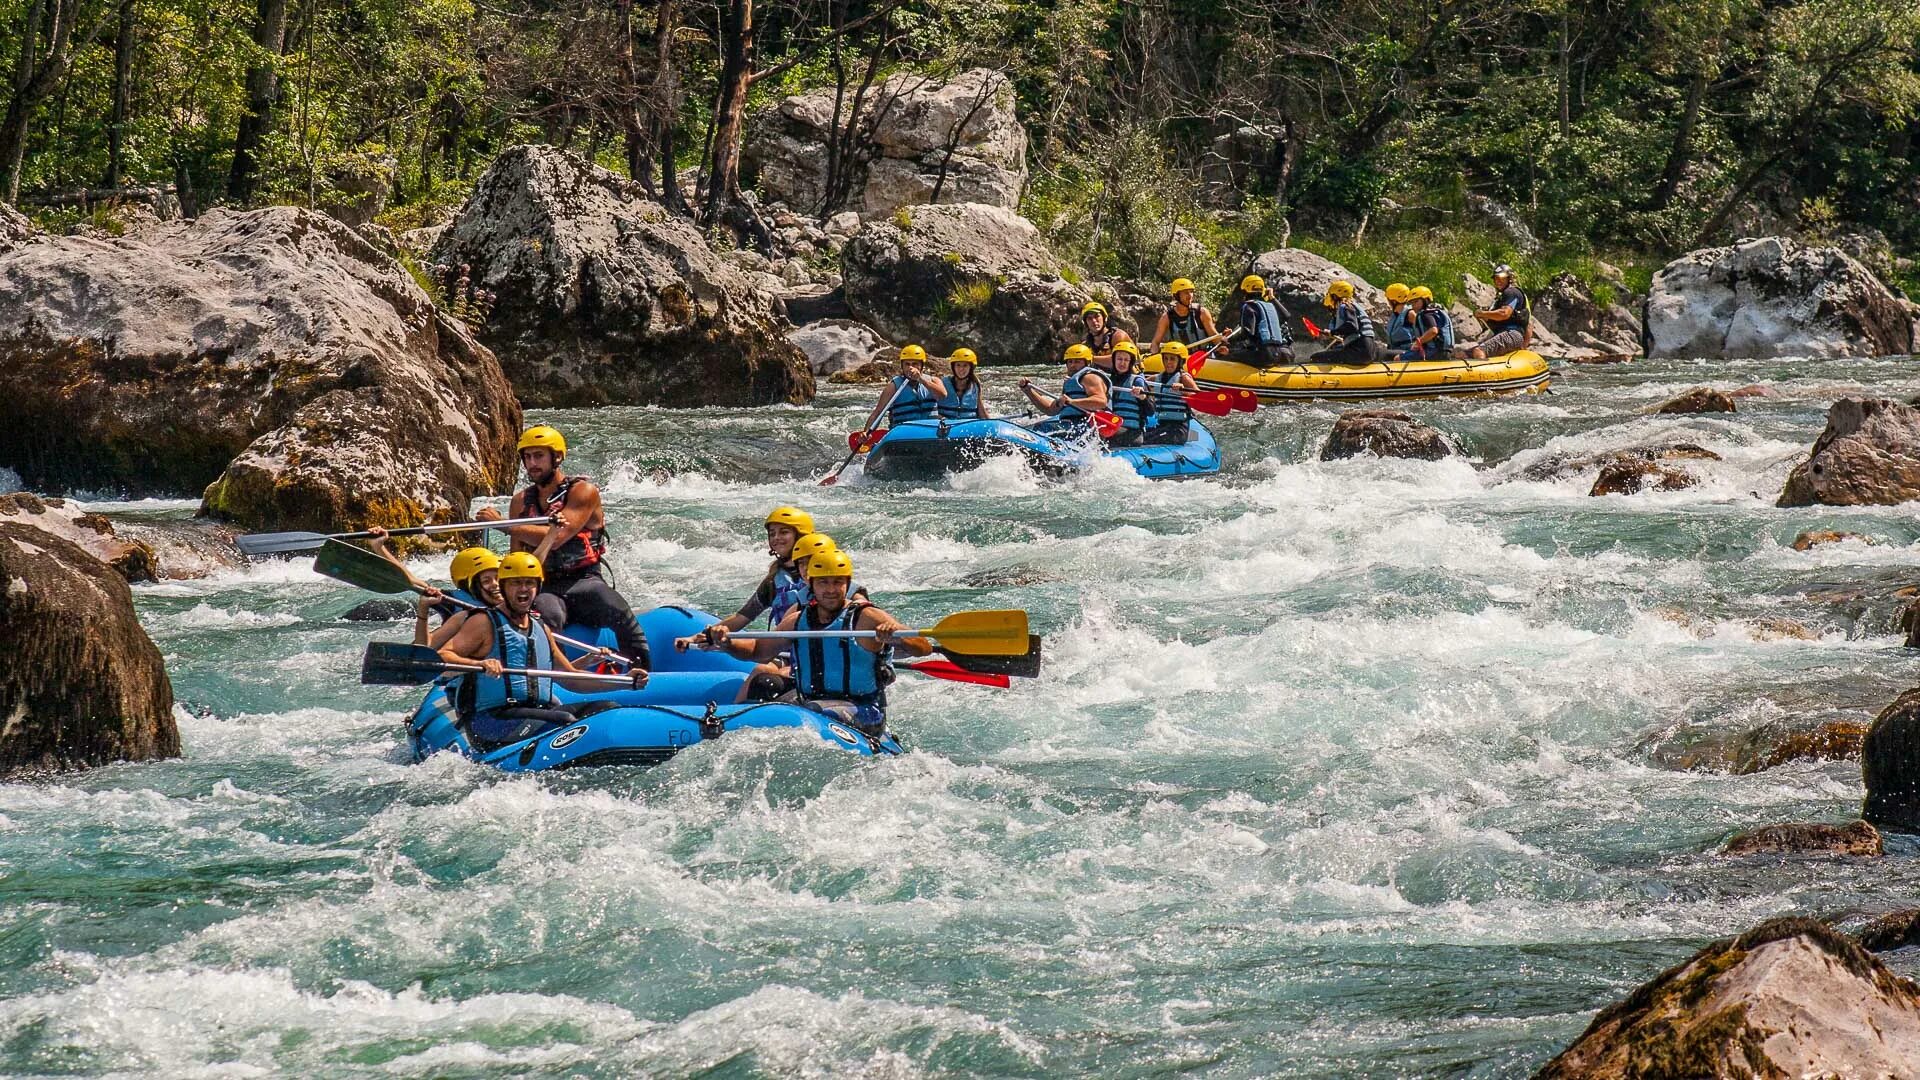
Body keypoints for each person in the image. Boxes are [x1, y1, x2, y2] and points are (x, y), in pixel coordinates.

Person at [687, 550, 933, 736]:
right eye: (824, 582)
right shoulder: (797, 620)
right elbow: (758, 651)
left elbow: (924, 647)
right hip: (811, 702)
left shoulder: (866, 617)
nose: (831, 589)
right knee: (761, 703)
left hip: (864, 710)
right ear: (811, 585)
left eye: (838, 582)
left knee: (812, 712)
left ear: (847, 584)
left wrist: (896, 635)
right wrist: (727, 643)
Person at [474, 425, 651, 669]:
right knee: (548, 615)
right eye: (527, 457)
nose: (532, 464)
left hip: (585, 580)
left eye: (539, 456)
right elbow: (517, 556)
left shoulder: (583, 492)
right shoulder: (520, 502)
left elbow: (557, 537)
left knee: (616, 609)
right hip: (546, 585)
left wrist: (503, 525)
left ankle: (642, 672)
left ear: (557, 457)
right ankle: (552, 679)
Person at [436, 552, 640, 748]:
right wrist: (479, 664)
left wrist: (626, 682)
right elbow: (443, 657)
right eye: (516, 583)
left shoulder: (541, 627)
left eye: (529, 583)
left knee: (606, 709)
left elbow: (570, 677)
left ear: (538, 587)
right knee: (566, 720)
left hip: (535, 714)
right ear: (504, 587)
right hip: (491, 721)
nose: (523, 589)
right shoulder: (483, 622)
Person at [411, 547, 504, 649]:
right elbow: (422, 648)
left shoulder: (518, 605)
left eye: (498, 578)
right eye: (486, 581)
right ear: (473, 586)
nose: (495, 584)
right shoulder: (460, 612)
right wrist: (423, 609)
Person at [1019, 343, 1111, 433]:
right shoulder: (1071, 382)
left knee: (1039, 429)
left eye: (1077, 361)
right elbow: (1050, 410)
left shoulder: (1090, 377)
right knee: (1038, 427)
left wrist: (1072, 402)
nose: (1072, 365)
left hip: (1086, 425)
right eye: (1070, 361)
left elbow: (1101, 402)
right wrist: (1028, 391)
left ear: (1087, 363)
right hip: (1070, 424)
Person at [861, 345, 947, 432]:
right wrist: (866, 431)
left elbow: (942, 395)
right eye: (907, 364)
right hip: (904, 433)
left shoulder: (934, 380)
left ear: (922, 365)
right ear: (902, 366)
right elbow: (878, 412)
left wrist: (921, 379)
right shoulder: (893, 387)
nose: (910, 368)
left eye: (915, 364)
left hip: (930, 431)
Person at [1309, 280, 1385, 365]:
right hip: (1368, 349)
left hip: (1359, 351)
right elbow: (1352, 331)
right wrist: (1330, 334)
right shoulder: (1353, 306)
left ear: (1335, 296)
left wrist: (1332, 332)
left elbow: (1352, 326)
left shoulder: (1345, 306)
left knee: (1315, 357)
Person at [1468, 264, 1532, 358]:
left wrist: (1482, 313)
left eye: (1502, 278)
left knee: (1479, 351)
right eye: (1496, 279)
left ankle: (1483, 372)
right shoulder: (1502, 298)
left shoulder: (1511, 292)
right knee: (1462, 354)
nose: (1498, 281)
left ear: (1509, 279)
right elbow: (1529, 325)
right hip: (1505, 334)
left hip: (1512, 334)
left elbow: (1504, 314)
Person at [1144, 341, 1199, 445]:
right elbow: (1141, 382)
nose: (1168, 362)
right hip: (1162, 425)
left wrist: (1183, 391)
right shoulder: (1157, 378)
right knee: (1142, 436)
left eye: (1172, 359)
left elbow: (1199, 397)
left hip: (1178, 430)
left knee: (1145, 440)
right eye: (1166, 358)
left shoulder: (1184, 378)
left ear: (1180, 361)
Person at [1150, 278, 1224, 356]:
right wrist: (1154, 355)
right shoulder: (1166, 318)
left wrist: (1222, 340)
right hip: (1180, 360)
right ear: (1176, 295)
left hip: (1204, 358)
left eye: (1191, 292)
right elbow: (1155, 342)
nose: (1190, 296)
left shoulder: (1201, 313)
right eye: (1186, 293)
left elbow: (1214, 336)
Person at [1236, 275, 1295, 366]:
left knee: (1230, 354)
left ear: (1245, 290)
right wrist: (1272, 297)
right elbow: (1286, 316)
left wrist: (1229, 341)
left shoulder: (1248, 307)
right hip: (1279, 353)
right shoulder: (1270, 306)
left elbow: (1247, 333)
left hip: (1263, 354)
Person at [1104, 341, 1153, 448]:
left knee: (1101, 435)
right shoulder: (1106, 381)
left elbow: (1151, 411)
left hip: (1132, 432)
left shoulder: (1137, 381)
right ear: (1114, 360)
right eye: (1119, 359)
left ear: (1131, 362)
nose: (1122, 363)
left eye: (1126, 360)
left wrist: (1143, 398)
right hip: (1112, 427)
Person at [1399, 286, 1455, 362]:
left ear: (1425, 300)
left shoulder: (1426, 315)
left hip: (1433, 352)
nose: (1413, 305)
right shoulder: (1434, 312)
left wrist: (1418, 343)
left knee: (1397, 358)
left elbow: (1433, 331)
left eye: (1416, 302)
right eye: (1411, 303)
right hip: (1444, 351)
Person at [1080, 301, 1134, 372]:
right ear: (1086, 323)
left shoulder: (1118, 336)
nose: (1094, 321)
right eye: (1089, 318)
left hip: (1130, 377)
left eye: (1097, 316)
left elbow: (1119, 362)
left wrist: (1089, 358)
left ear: (1104, 318)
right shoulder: (1086, 344)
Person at [937, 349, 989, 420]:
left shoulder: (976, 385)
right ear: (953, 367)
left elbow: (982, 411)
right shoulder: (943, 383)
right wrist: (941, 419)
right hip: (946, 425)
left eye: (965, 365)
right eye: (958, 365)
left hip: (968, 426)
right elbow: (932, 410)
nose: (961, 369)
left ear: (970, 368)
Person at [1382, 283, 1415, 353]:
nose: (1388, 302)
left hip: (1406, 351)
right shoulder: (1395, 314)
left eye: (1388, 300)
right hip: (1393, 349)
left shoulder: (1410, 314)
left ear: (1394, 301)